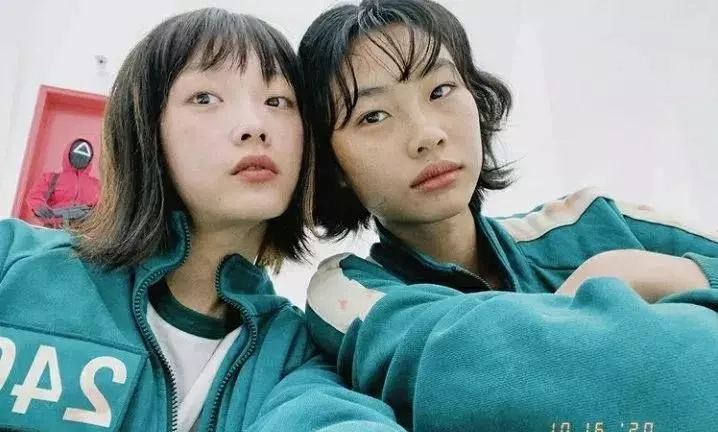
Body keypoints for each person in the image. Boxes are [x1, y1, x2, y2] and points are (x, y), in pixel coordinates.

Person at [298, 0, 718, 430]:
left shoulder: (594, 223)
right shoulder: (349, 292)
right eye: (373, 116)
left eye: (440, 91)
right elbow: (488, 368)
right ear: (332, 164)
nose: (427, 135)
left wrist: (660, 273)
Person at [0, 8, 406, 432]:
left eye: (277, 102)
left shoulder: (296, 357)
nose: (254, 126)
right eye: (205, 98)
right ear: (145, 128)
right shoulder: (13, 264)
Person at [26, 138, 100, 228]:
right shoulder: (51, 178)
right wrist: (39, 206)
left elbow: (106, 206)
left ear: (90, 160)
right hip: (55, 228)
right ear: (68, 155)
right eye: (77, 156)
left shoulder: (96, 184)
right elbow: (35, 195)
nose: (80, 159)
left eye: (84, 157)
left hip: (85, 231)